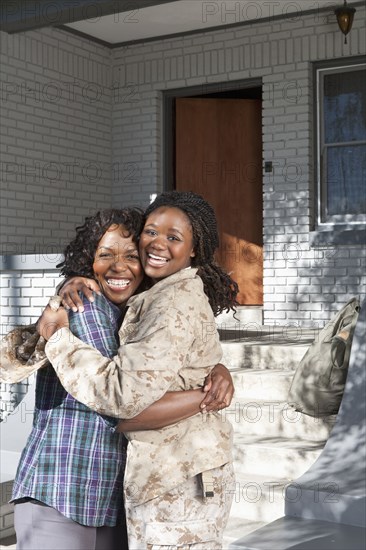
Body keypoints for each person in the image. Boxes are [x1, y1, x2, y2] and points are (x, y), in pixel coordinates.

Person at [2, 207, 234, 550]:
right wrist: (204, 398)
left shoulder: (140, 313)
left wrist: (217, 369)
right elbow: (124, 402)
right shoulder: (83, 304)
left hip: (110, 499)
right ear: (88, 261)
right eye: (104, 255)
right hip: (62, 491)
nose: (118, 266)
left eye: (131, 255)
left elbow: (161, 373)